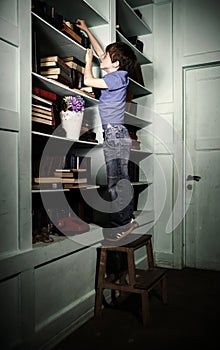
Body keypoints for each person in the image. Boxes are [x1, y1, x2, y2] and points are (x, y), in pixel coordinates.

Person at [76, 19, 139, 242]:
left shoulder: (117, 77)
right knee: (118, 179)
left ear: (115, 64)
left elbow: (88, 79)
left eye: (106, 57)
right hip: (115, 133)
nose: (101, 56)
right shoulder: (117, 74)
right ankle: (125, 220)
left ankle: (124, 223)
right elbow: (101, 50)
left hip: (114, 134)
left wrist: (87, 61)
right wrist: (86, 30)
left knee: (116, 182)